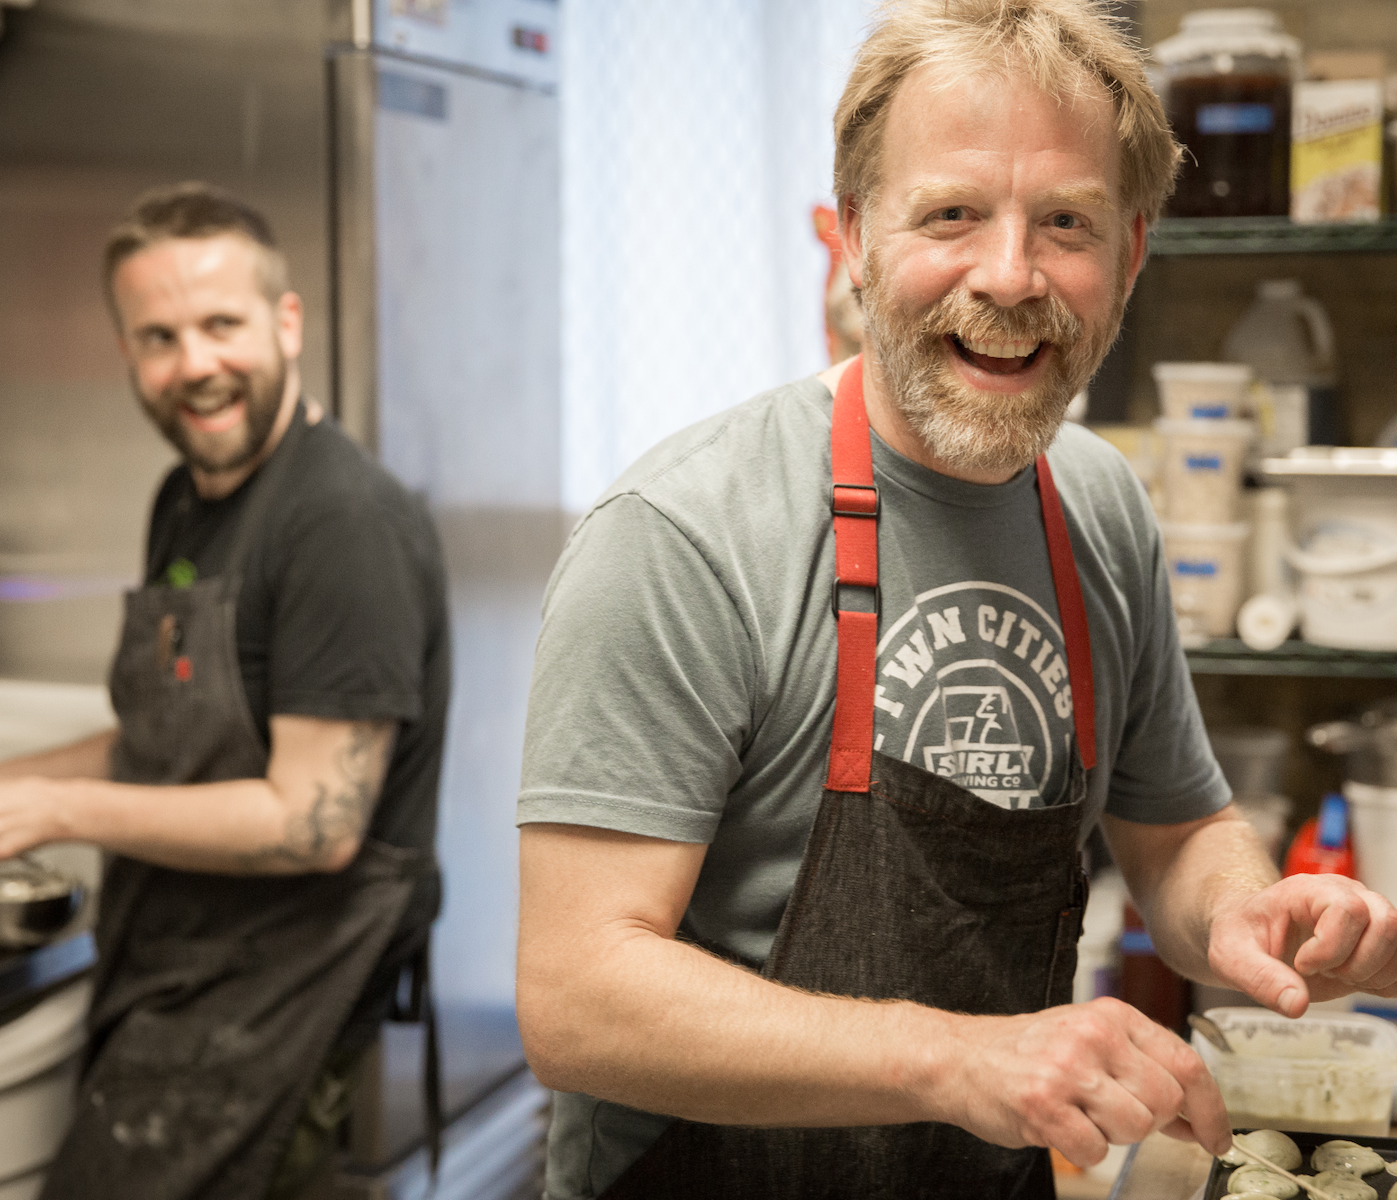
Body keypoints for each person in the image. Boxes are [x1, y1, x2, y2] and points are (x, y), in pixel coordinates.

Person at [514, 2, 1397, 1197]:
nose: (1009, 275)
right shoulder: (687, 534)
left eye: (1067, 224)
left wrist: (1248, 912)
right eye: (950, 215)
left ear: (1131, 255)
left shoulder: (1100, 506)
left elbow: (1175, 829)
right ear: (854, 238)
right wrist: (960, 1059)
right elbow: (576, 1000)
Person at [0, 182, 450, 1199]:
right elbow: (166, 738)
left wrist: (52, 812)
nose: (194, 365)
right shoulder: (189, 498)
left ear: (285, 323)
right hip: (177, 972)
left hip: (275, 1008)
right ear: (126, 353)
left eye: (220, 325)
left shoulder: (340, 523)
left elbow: (312, 823)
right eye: (158, 337)